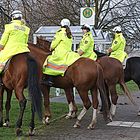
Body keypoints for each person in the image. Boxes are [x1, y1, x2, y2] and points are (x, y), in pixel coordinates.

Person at [42, 18, 80, 86]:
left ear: (61, 24)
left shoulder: (60, 33)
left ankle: (49, 79)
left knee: (49, 60)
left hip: (60, 53)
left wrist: (51, 48)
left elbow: (54, 44)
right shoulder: (69, 34)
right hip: (68, 52)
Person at [0, 10, 30, 85]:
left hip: (11, 49)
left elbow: (3, 41)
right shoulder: (26, 28)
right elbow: (25, 41)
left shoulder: (9, 27)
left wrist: (1, 47)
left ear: (13, 17)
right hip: (23, 49)